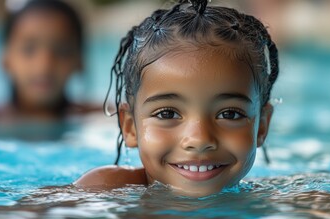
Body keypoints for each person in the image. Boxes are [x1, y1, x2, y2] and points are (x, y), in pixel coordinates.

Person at [75, 0, 279, 197]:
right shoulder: (106, 190)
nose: (199, 140)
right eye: (167, 113)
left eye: (229, 114)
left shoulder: (274, 199)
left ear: (261, 125)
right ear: (130, 126)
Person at [0, 0, 100, 139]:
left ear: (80, 62)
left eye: (62, 50)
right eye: (29, 49)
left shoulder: (99, 117)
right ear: (5, 60)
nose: (44, 66)